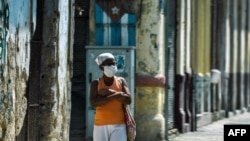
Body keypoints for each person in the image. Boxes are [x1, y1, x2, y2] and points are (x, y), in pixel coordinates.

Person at [90, 52, 132, 141]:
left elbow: (128, 100)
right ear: (101, 67)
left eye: (114, 63)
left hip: (119, 124)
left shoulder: (121, 81)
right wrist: (118, 95)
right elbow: (94, 102)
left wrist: (110, 92)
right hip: (100, 124)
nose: (113, 66)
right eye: (109, 64)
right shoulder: (96, 83)